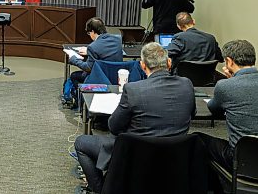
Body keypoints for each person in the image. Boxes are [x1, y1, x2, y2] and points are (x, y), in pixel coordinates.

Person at [74, 42, 195, 193]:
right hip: (176, 153)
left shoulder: (133, 89)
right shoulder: (187, 84)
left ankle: (99, 188)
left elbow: (114, 127)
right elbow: (192, 113)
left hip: (136, 155)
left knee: (81, 143)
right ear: (169, 63)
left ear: (143, 66)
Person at [195, 40, 258, 190]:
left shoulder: (225, 86)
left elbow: (214, 109)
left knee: (199, 137)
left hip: (240, 158)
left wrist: (230, 81)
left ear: (229, 61)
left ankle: (211, 187)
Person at [67, 17, 123, 87]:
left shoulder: (93, 47)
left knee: (74, 76)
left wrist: (73, 59)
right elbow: (105, 51)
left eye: (89, 33)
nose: (90, 35)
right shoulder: (117, 39)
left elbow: (88, 68)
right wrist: (88, 51)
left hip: (100, 78)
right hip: (116, 76)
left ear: (93, 31)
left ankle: (79, 95)